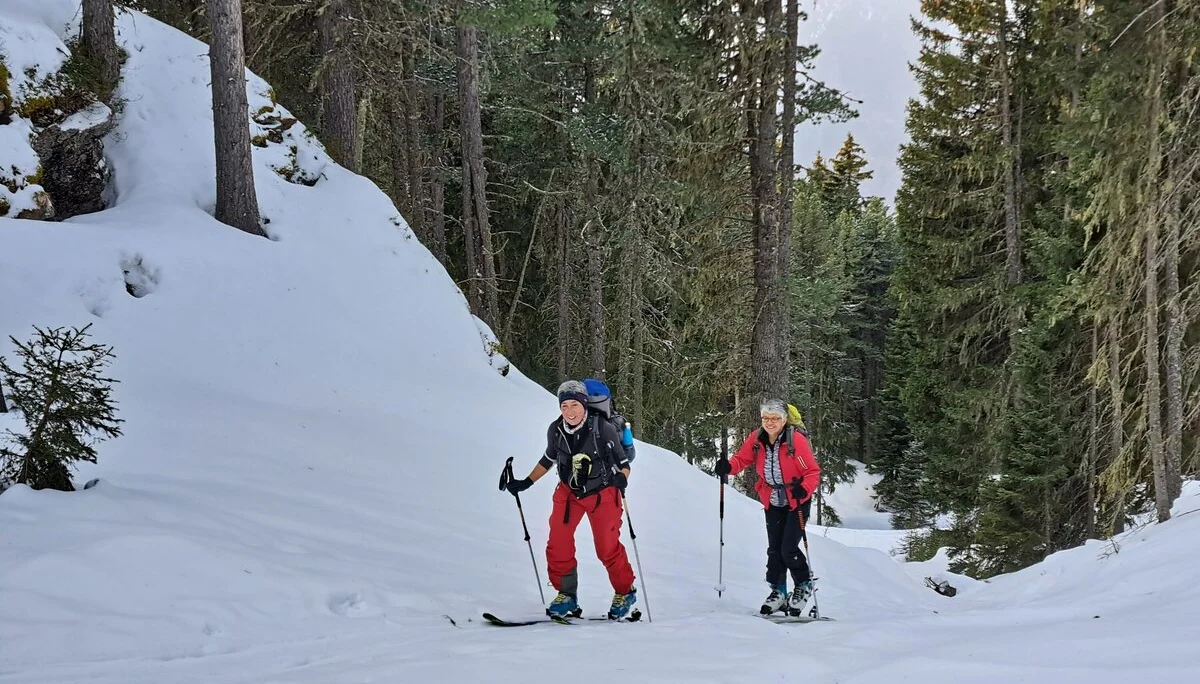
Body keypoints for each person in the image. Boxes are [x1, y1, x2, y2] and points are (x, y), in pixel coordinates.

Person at [503, 379, 637, 619]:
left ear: (584, 405)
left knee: (606, 548)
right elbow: (548, 459)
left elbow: (623, 463)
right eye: (564, 406)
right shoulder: (556, 430)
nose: (569, 411)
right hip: (568, 491)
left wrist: (622, 479)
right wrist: (526, 482)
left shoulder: (602, 428)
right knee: (558, 541)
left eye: (574, 405)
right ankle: (566, 595)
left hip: (603, 492)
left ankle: (625, 592)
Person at [715, 398, 821, 616]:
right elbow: (741, 459)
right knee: (774, 550)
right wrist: (728, 467)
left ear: (783, 420)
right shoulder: (757, 439)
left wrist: (805, 488)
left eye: (775, 418)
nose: (770, 422)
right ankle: (778, 591)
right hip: (772, 498)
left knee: (788, 548)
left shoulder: (795, 441)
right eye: (766, 418)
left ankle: (803, 585)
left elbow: (812, 472)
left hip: (796, 499)